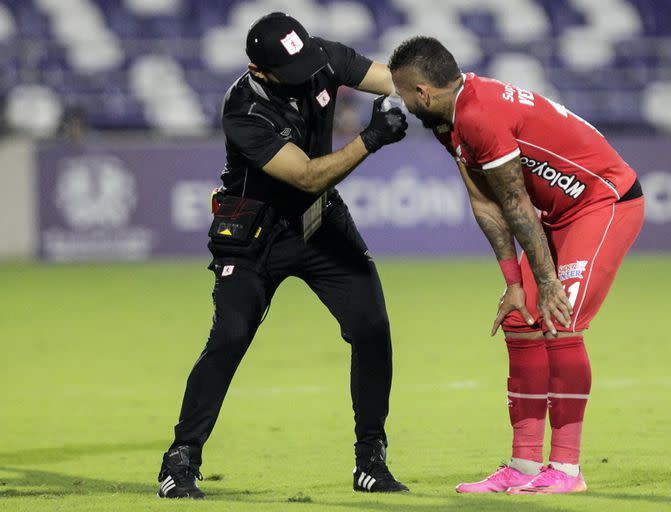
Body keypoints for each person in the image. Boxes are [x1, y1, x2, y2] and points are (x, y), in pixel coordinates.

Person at [156, 12, 410, 499]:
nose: (305, 76)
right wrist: (371, 137)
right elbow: (308, 175)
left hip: (318, 221)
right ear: (259, 71)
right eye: (289, 73)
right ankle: (180, 458)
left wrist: (442, 90)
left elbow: (395, 80)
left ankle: (370, 461)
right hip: (254, 231)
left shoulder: (319, 56)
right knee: (230, 337)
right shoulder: (243, 108)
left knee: (372, 327)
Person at [389, 37, 644, 495]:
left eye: (404, 94)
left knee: (558, 318)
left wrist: (546, 283)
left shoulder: (478, 115)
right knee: (518, 318)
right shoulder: (449, 122)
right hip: (555, 213)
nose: (402, 103)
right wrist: (513, 283)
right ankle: (524, 465)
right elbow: (485, 202)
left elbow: (516, 202)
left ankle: (566, 470)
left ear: (423, 92)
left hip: (601, 200)